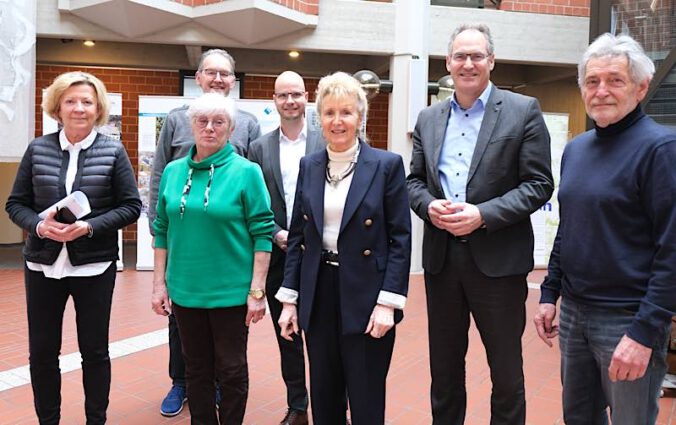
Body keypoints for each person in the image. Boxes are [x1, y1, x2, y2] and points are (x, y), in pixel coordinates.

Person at [407, 23, 554, 425]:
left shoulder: (523, 111)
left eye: (476, 56)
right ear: (448, 63)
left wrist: (482, 215)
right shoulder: (429, 117)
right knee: (445, 372)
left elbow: (540, 184)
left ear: (491, 61)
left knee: (506, 374)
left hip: (499, 264)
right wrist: (429, 206)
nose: (467, 64)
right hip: (442, 262)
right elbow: (413, 182)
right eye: (460, 56)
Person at [534, 33, 676, 425]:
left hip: (627, 320)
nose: (602, 91)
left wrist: (645, 332)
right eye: (592, 81)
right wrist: (549, 294)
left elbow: (672, 251)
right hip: (574, 316)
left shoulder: (661, 150)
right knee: (577, 417)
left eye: (615, 80)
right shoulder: (577, 149)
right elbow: (569, 228)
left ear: (641, 86)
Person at [5, 71, 142, 424]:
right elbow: (16, 204)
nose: (79, 108)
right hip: (42, 266)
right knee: (42, 353)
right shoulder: (38, 148)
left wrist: (89, 226)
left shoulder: (112, 151)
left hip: (93, 268)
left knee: (95, 351)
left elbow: (130, 206)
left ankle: (96, 420)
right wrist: (38, 225)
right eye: (71, 101)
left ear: (97, 108)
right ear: (57, 107)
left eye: (87, 101)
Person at [276, 71, 411, 425]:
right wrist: (290, 300)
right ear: (319, 119)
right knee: (324, 395)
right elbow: (299, 236)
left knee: (366, 399)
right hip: (319, 292)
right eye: (330, 113)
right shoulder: (310, 165)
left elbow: (400, 239)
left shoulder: (386, 165)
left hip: (367, 296)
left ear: (360, 117)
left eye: (346, 112)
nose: (338, 121)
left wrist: (388, 302)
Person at [148, 48, 261, 417]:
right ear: (190, 124)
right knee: (194, 368)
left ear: (231, 128)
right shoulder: (173, 170)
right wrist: (158, 283)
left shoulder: (247, 169)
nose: (209, 128)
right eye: (202, 122)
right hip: (185, 287)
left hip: (229, 287)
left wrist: (257, 291)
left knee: (230, 369)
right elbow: (162, 224)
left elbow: (260, 227)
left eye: (218, 122)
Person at [247, 71, 324, 425]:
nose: (290, 101)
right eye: (282, 95)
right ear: (274, 101)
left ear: (306, 96)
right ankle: (298, 406)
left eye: (296, 94)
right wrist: (277, 233)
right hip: (280, 255)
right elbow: (254, 204)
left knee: (324, 337)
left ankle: (330, 404)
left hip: (325, 256)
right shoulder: (259, 148)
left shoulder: (327, 139)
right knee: (288, 334)